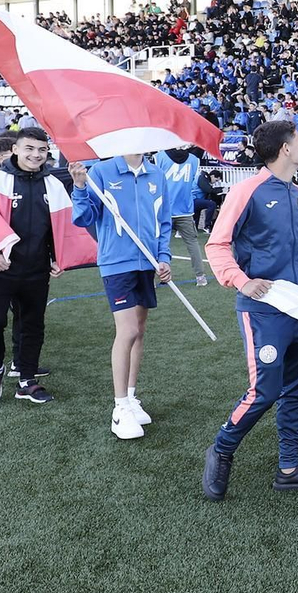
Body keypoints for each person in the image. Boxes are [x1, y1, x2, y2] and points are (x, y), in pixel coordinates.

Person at [200, 120, 298, 499]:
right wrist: (242, 281)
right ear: (285, 149)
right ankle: (221, 450)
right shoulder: (248, 190)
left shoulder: (297, 195)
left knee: (296, 391)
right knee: (264, 390)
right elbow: (217, 245)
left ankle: (289, 468)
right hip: (263, 310)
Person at [0, 129, 87, 406]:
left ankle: (27, 379)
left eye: (42, 150)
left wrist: (58, 257)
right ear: (15, 149)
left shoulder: (53, 184)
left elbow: (63, 225)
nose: (36, 155)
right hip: (0, 269)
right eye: (29, 148)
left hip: (36, 269)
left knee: (32, 325)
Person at [70, 146, 175, 439]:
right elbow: (83, 218)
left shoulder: (157, 174)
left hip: (149, 262)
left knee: (140, 330)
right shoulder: (102, 172)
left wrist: (163, 257)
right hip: (117, 263)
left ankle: (131, 397)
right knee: (127, 331)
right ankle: (119, 408)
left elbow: (163, 221)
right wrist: (80, 187)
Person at [154, 144, 212, 287]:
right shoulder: (194, 160)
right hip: (184, 208)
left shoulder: (159, 156)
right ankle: (201, 277)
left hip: (163, 209)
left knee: (158, 244)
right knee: (192, 244)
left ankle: (155, 279)